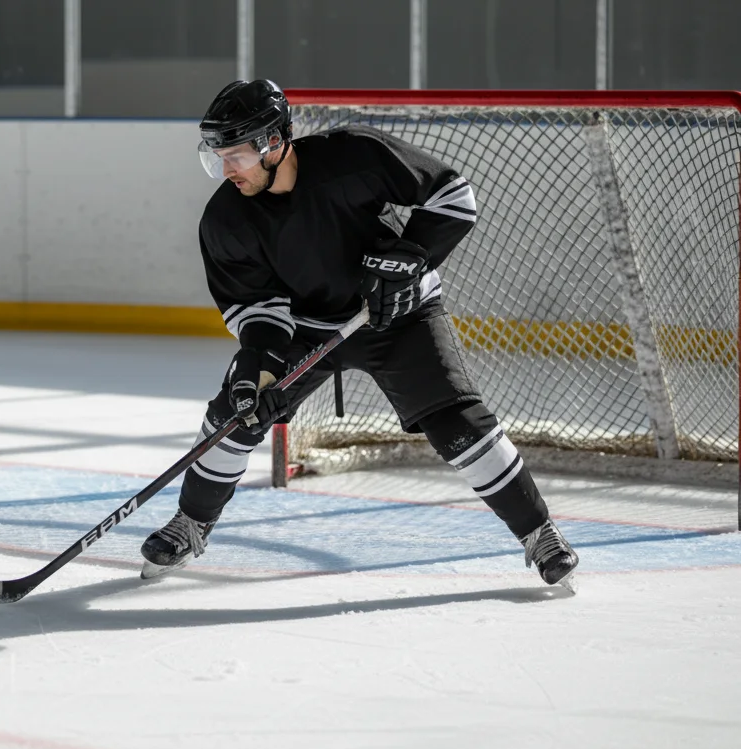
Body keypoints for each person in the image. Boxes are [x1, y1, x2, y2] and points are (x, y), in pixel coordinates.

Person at [139, 79, 579, 587]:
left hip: (398, 315)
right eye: (218, 156)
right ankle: (191, 523)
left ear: (274, 142)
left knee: (454, 417)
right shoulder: (225, 219)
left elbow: (453, 197)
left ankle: (539, 532)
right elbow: (254, 307)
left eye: (235, 155)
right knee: (235, 415)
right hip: (304, 330)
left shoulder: (355, 156)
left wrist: (412, 255)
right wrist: (257, 366)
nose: (225, 169)